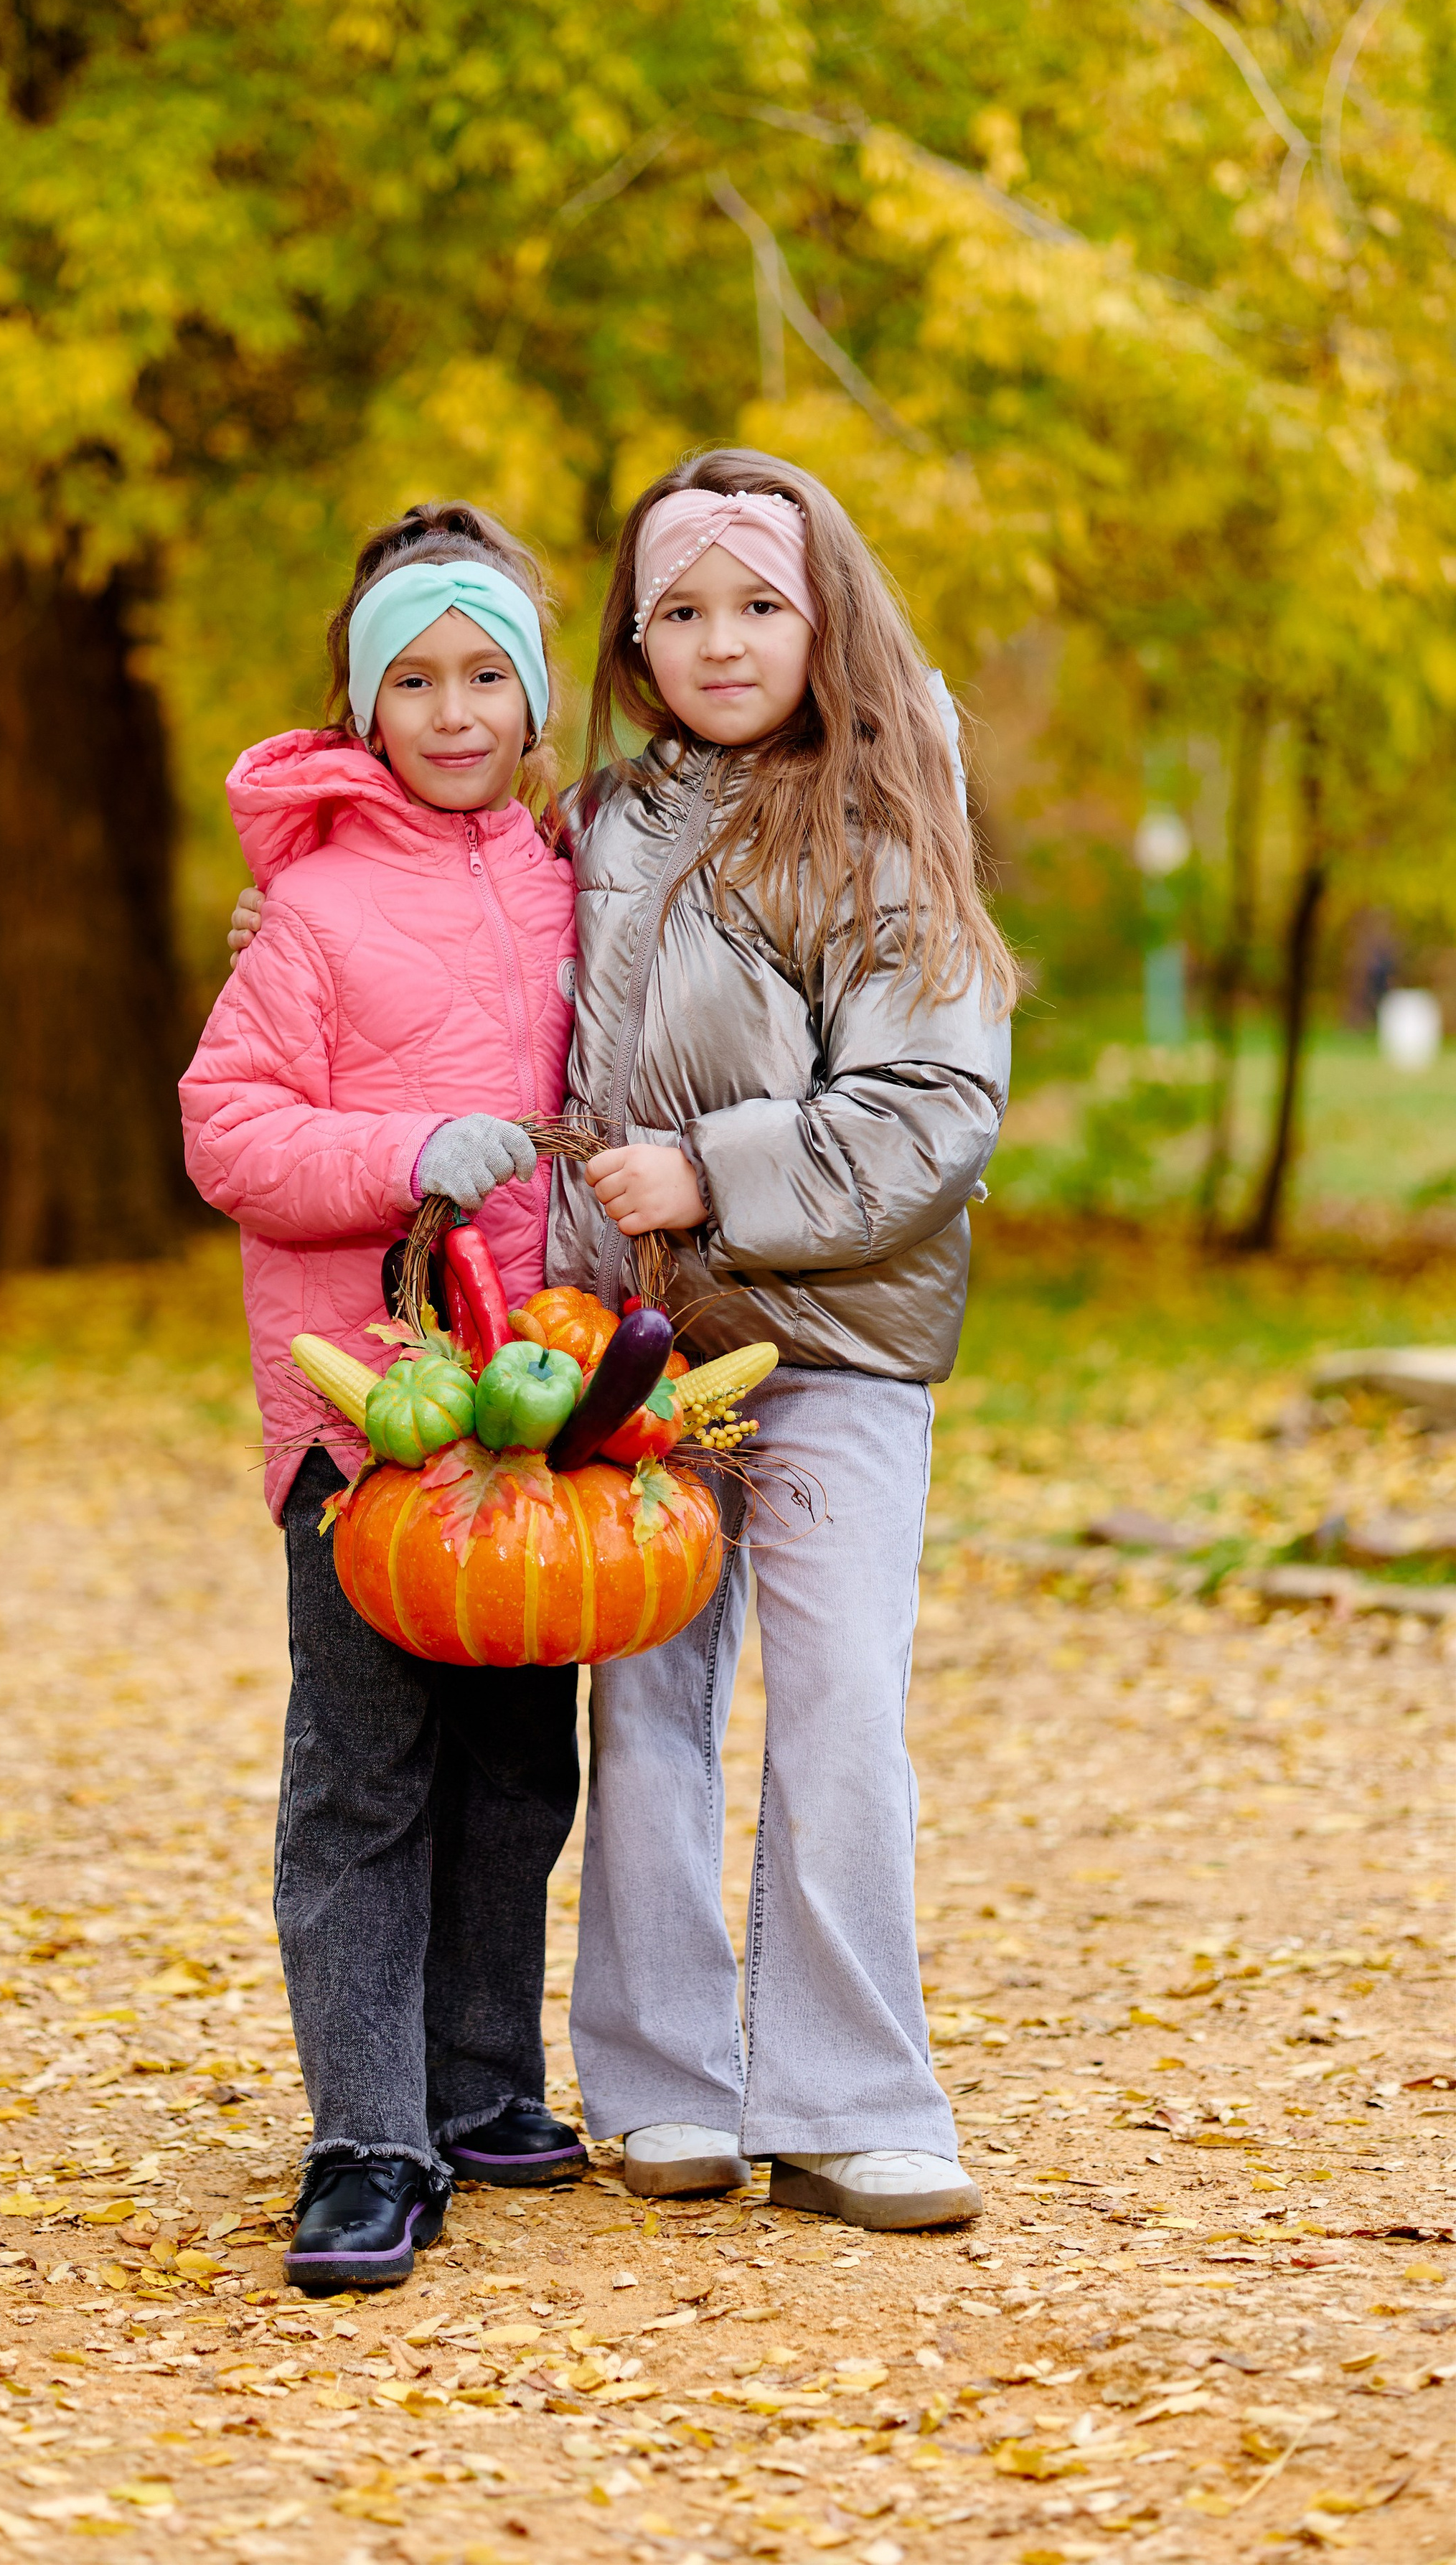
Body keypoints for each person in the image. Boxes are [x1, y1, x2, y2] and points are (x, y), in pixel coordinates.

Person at [552, 449, 1013, 2227]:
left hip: (828, 1347)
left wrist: (712, 1174)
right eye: (681, 610)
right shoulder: (598, 829)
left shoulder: (886, 828)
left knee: (832, 1709)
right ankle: (668, 2082)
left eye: (760, 604)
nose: (721, 640)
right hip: (635, 1354)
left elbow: (932, 1107)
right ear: (635, 637)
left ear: (826, 620)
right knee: (643, 1701)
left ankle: (851, 2095)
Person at [179, 501, 585, 2294]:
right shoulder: (319, 913)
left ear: (536, 698)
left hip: (537, 1413)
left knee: (516, 1766)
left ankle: (482, 2083)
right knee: (367, 1773)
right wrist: (409, 1145)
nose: (451, 707)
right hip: (368, 1418)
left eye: (485, 672)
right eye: (410, 679)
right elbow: (230, 1129)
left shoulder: (578, 883)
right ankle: (365, 2136)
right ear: (362, 708)